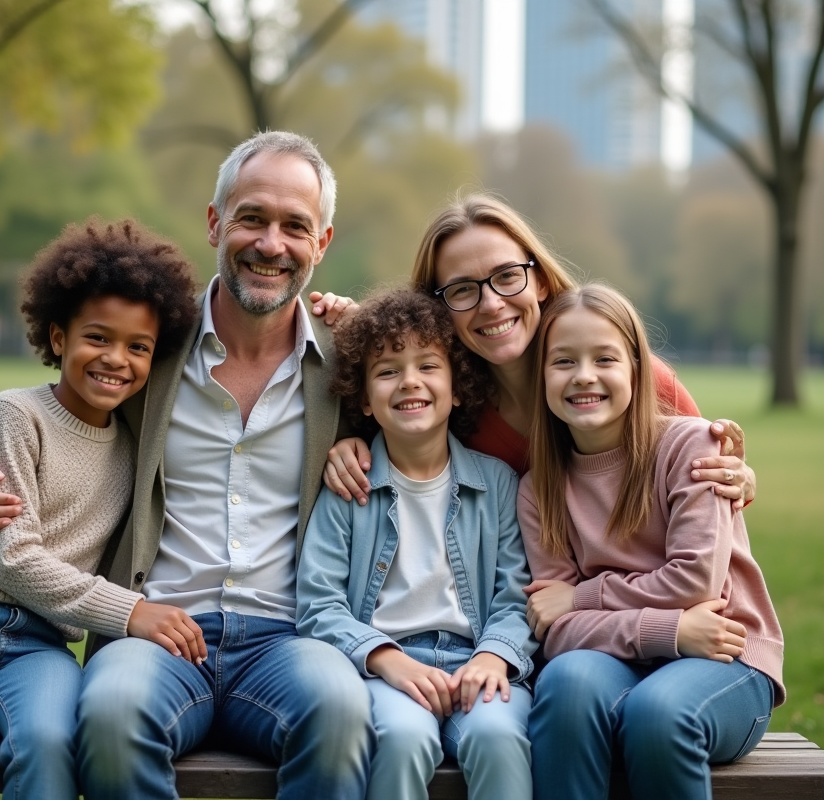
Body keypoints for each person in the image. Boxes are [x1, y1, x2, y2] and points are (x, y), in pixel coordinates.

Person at [0, 132, 374, 800]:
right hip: (153, 628)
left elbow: (438, 434)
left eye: (295, 226)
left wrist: (361, 431)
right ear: (214, 221)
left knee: (341, 713)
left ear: (323, 242)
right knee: (109, 715)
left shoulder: (350, 365)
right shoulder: (148, 348)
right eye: (252, 217)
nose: (271, 243)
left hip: (291, 638)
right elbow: (50, 423)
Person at [0, 219, 200, 800]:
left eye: (139, 347)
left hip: (41, 648)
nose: (116, 359)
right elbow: (11, 560)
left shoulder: (138, 447)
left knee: (52, 753)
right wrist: (133, 612)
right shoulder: (15, 414)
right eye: (97, 338)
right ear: (58, 338)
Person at [517, 283, 785, 800]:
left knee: (657, 713)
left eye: (605, 358)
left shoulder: (691, 444)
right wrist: (670, 631)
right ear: (542, 378)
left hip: (725, 660)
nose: (584, 376)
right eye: (563, 361)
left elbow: (694, 583)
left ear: (637, 371)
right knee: (564, 686)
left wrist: (582, 597)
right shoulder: (539, 487)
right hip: (619, 662)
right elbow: (556, 632)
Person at [322, 194, 757, 506]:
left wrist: (740, 477)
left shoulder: (630, 377)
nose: (491, 304)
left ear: (541, 280)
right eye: (462, 289)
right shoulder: (443, 400)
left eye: (508, 276)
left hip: (627, 609)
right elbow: (394, 434)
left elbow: (707, 478)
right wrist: (350, 447)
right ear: (438, 309)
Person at [298, 289, 537, 800]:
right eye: (387, 371)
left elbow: (517, 594)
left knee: (498, 739)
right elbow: (319, 603)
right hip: (388, 668)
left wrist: (495, 657)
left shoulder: (496, 484)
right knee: (402, 739)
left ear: (456, 389)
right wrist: (385, 658)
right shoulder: (348, 485)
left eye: (428, 366)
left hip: (480, 661)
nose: (409, 381)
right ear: (364, 398)